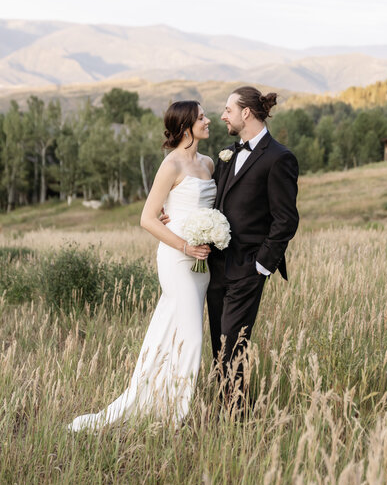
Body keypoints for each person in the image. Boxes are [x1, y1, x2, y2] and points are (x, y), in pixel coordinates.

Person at [68, 101, 215, 431]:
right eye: (202, 117)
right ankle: (175, 417)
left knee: (171, 331)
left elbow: (200, 208)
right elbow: (148, 218)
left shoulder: (208, 163)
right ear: (187, 126)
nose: (209, 120)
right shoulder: (171, 165)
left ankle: (156, 400)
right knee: (191, 336)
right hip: (178, 258)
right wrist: (185, 245)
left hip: (203, 263)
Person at [206, 86, 299, 403]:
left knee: (233, 345)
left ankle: (233, 420)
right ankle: (225, 411)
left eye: (228, 110)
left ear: (246, 113)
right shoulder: (228, 154)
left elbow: (285, 219)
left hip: (247, 269)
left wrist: (261, 266)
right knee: (219, 345)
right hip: (215, 266)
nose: (223, 116)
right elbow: (213, 201)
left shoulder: (279, 158)